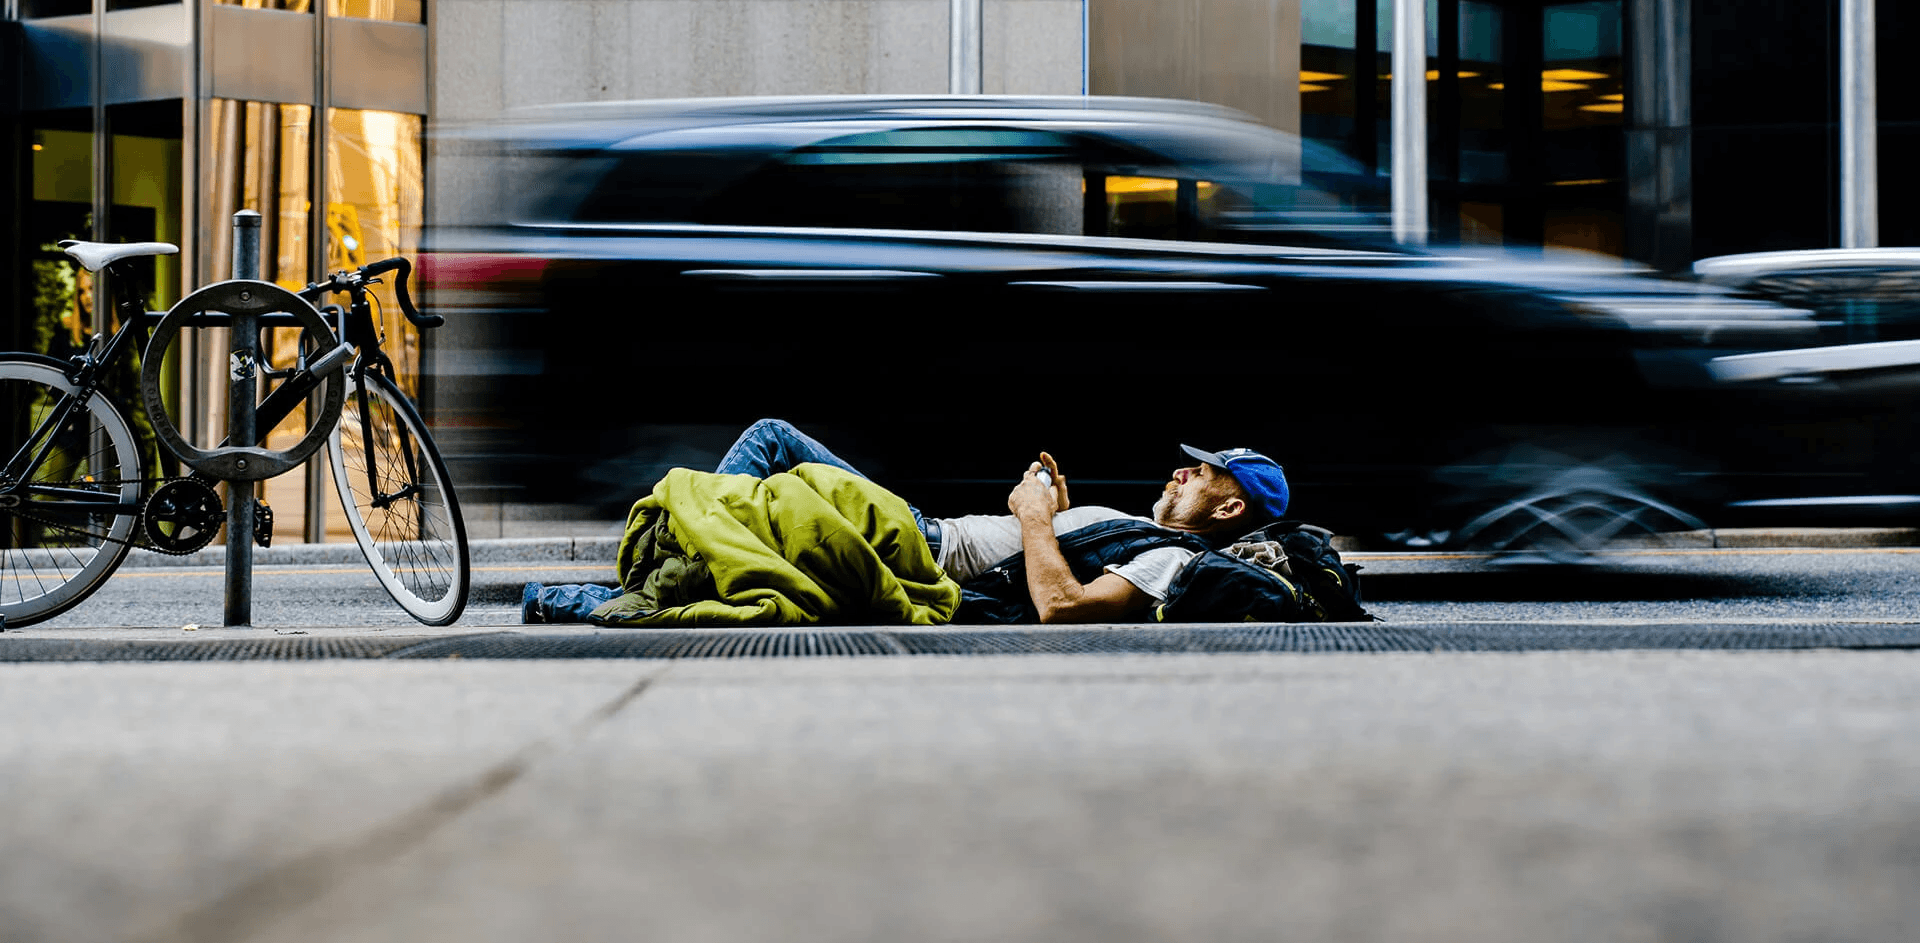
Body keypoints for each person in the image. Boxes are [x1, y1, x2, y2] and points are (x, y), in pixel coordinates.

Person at [706, 418, 1290, 623]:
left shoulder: (1173, 558)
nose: (1181, 472)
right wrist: (1059, 515)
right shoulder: (1150, 535)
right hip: (923, 533)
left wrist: (1035, 518)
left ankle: (674, 538)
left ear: (1229, 508)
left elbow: (1064, 608)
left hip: (922, 546)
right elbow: (1054, 565)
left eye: (1201, 475)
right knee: (769, 483)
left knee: (772, 440)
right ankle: (681, 544)